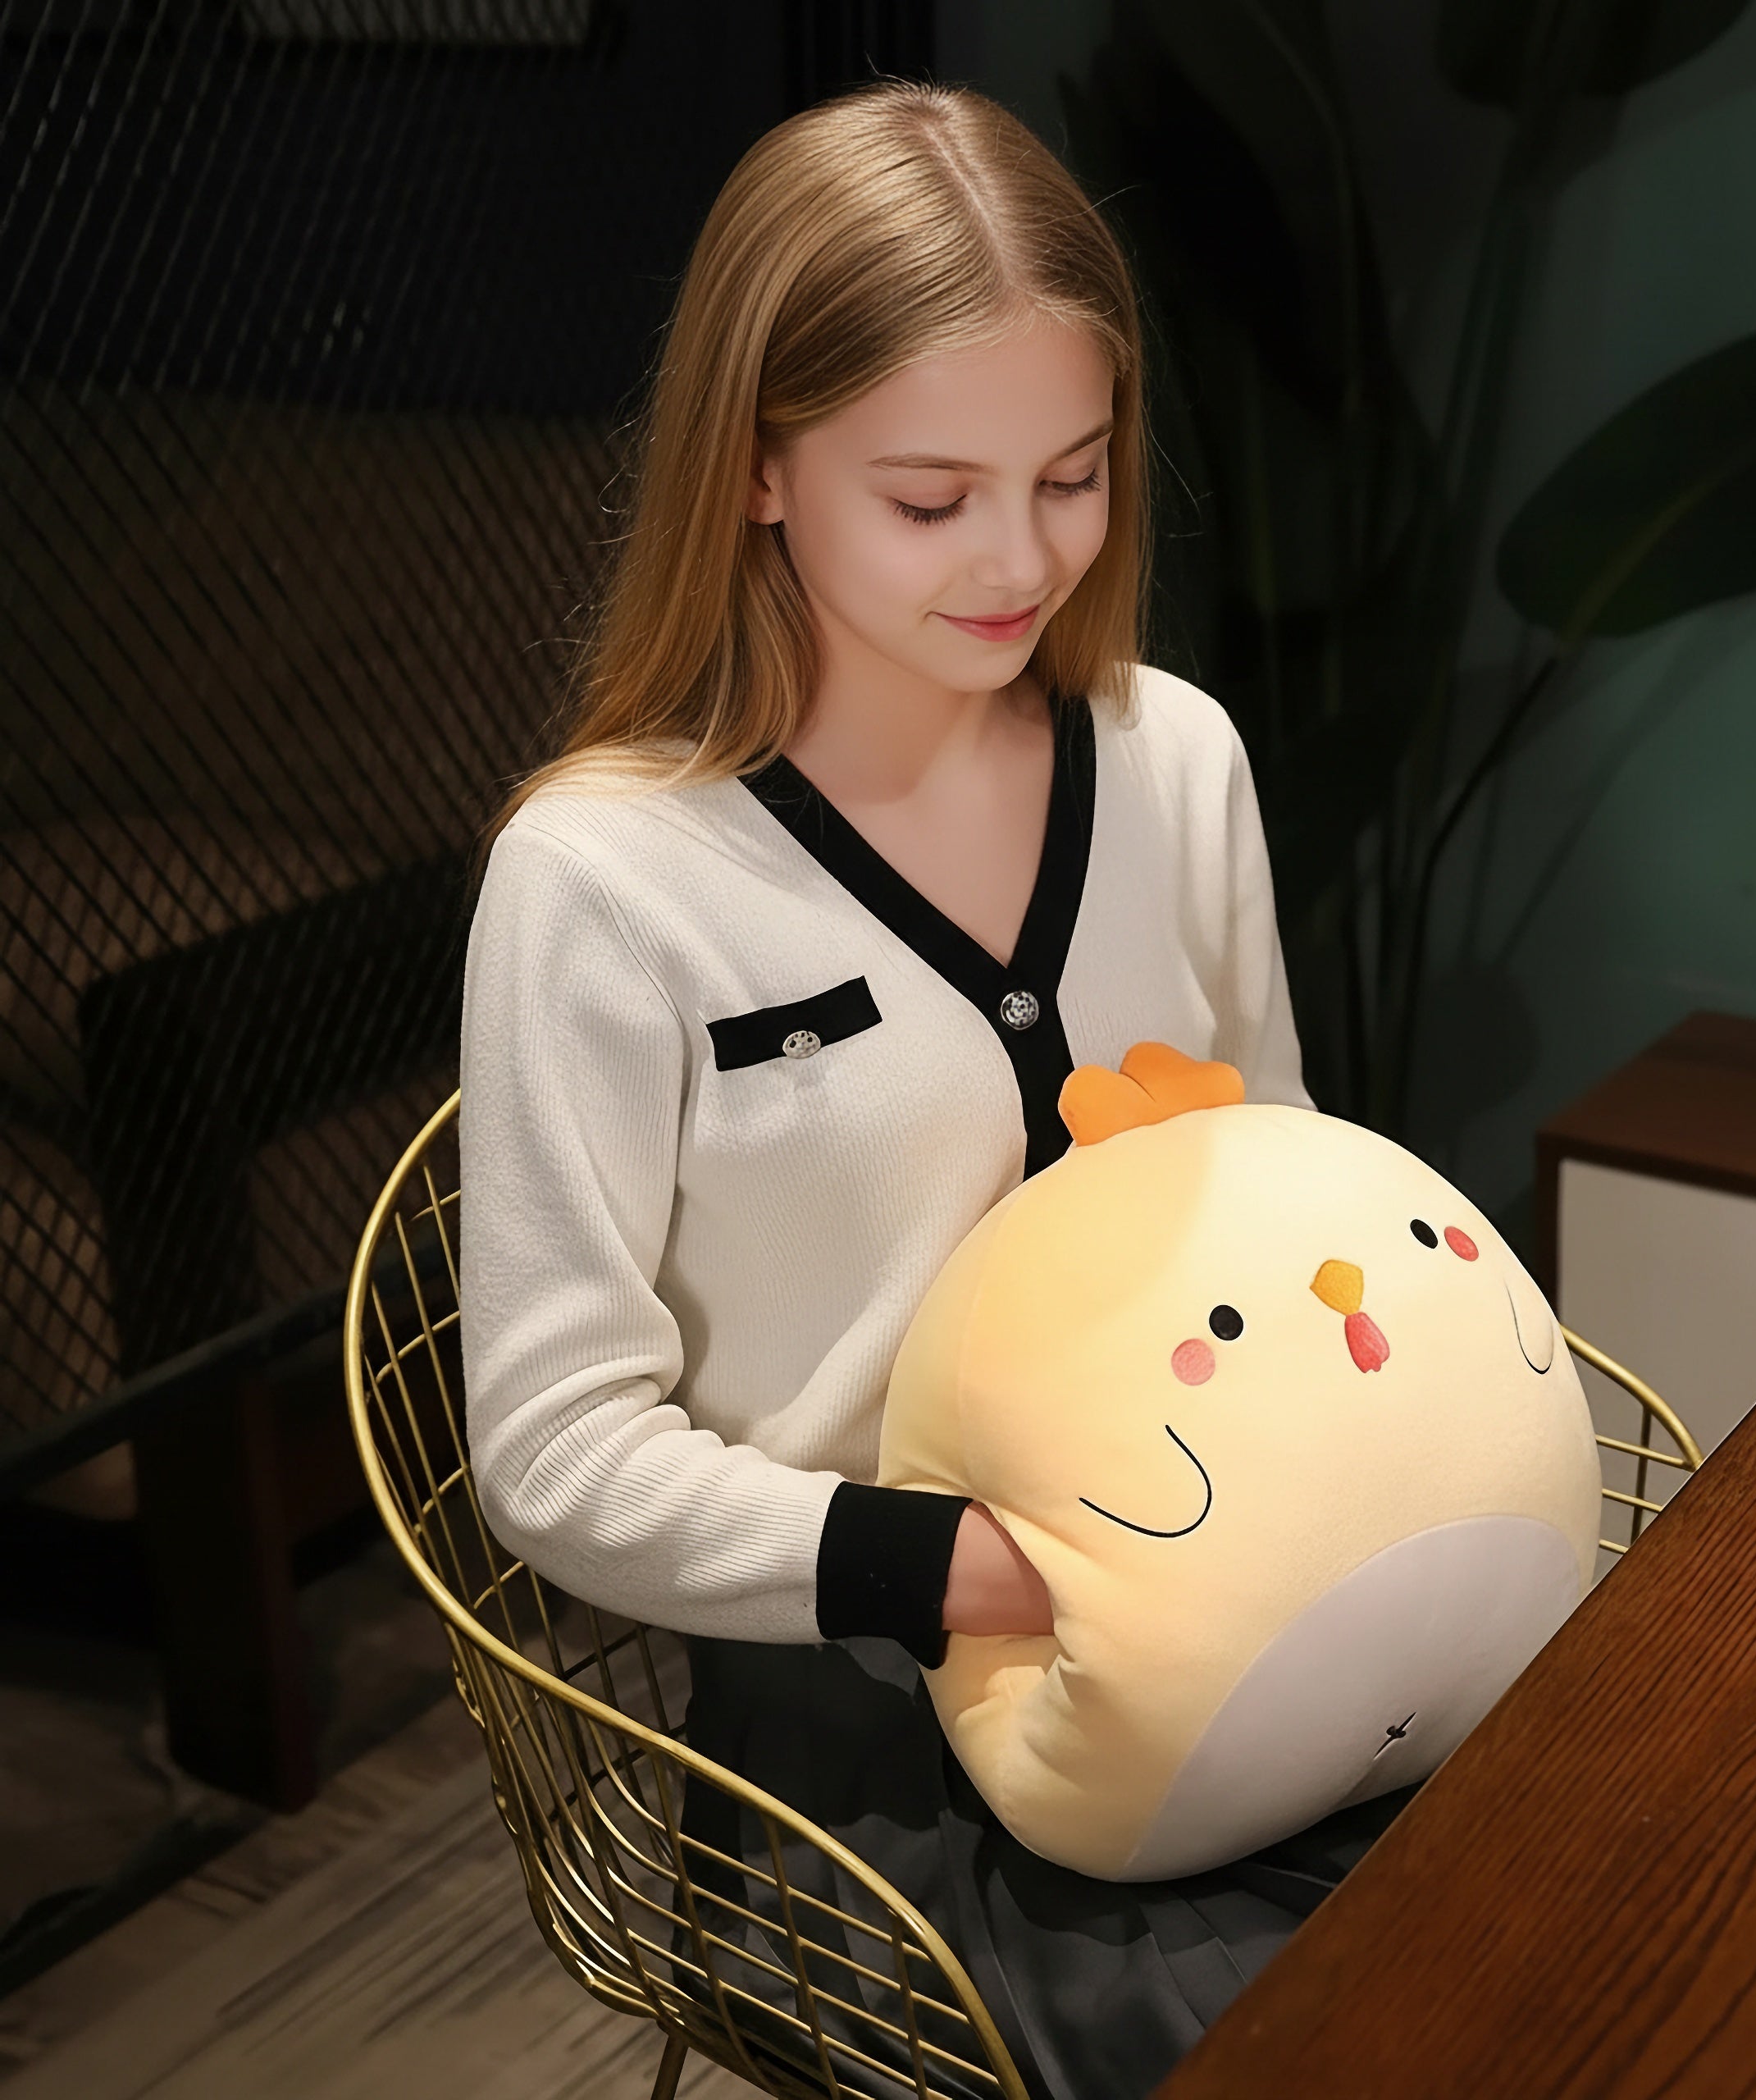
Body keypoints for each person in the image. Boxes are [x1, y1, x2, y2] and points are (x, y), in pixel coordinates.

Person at [459, 80, 1406, 2100]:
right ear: (756, 470)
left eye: (1071, 476)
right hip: (865, 1751)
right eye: (930, 495)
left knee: (1578, 1881)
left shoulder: (1175, 764)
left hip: (1240, 1598)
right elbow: (548, 1454)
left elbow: (1280, 1179)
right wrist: (959, 1568)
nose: (1021, 558)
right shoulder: (608, 883)